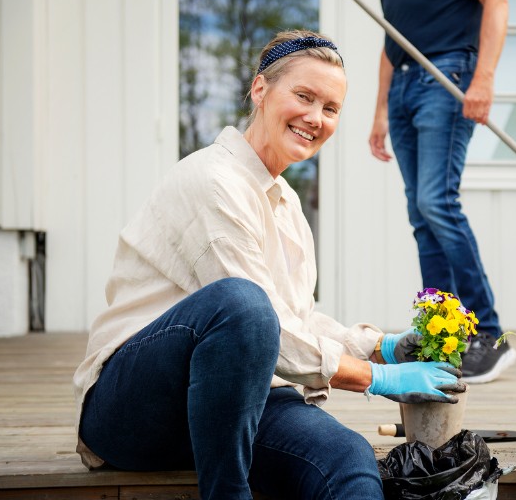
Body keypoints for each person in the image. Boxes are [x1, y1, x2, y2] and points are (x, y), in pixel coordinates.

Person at [73, 30, 465, 500]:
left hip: (234, 406)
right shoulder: (214, 182)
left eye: (331, 108)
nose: (315, 118)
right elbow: (256, 321)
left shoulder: (286, 204)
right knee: (241, 304)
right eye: (303, 96)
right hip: (135, 412)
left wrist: (381, 346)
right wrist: (376, 379)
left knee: (349, 459)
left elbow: (290, 320)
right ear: (260, 90)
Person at [369, 0, 516, 384]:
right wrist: (381, 109)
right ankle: (446, 333)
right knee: (421, 214)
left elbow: (496, 1)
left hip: (447, 72)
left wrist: (483, 78)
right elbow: (392, 38)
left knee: (437, 202)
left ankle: (487, 331)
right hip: (402, 84)